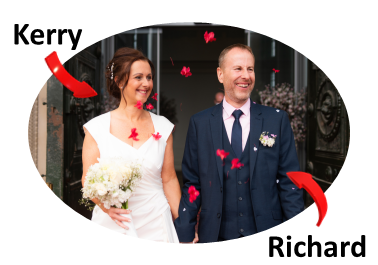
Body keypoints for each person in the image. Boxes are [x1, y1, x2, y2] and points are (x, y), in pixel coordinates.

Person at [174, 44, 304, 243]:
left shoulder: (276, 120)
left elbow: (289, 182)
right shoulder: (199, 123)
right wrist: (184, 233)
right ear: (220, 74)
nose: (246, 75)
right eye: (238, 69)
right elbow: (193, 184)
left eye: (250, 69)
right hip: (215, 236)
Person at [82, 47, 181, 243]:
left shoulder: (163, 127)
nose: (146, 83)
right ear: (119, 81)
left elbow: (169, 179)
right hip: (113, 223)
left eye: (149, 77)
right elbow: (87, 179)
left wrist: (184, 223)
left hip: (156, 223)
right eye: (139, 77)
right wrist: (106, 208)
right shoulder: (97, 128)